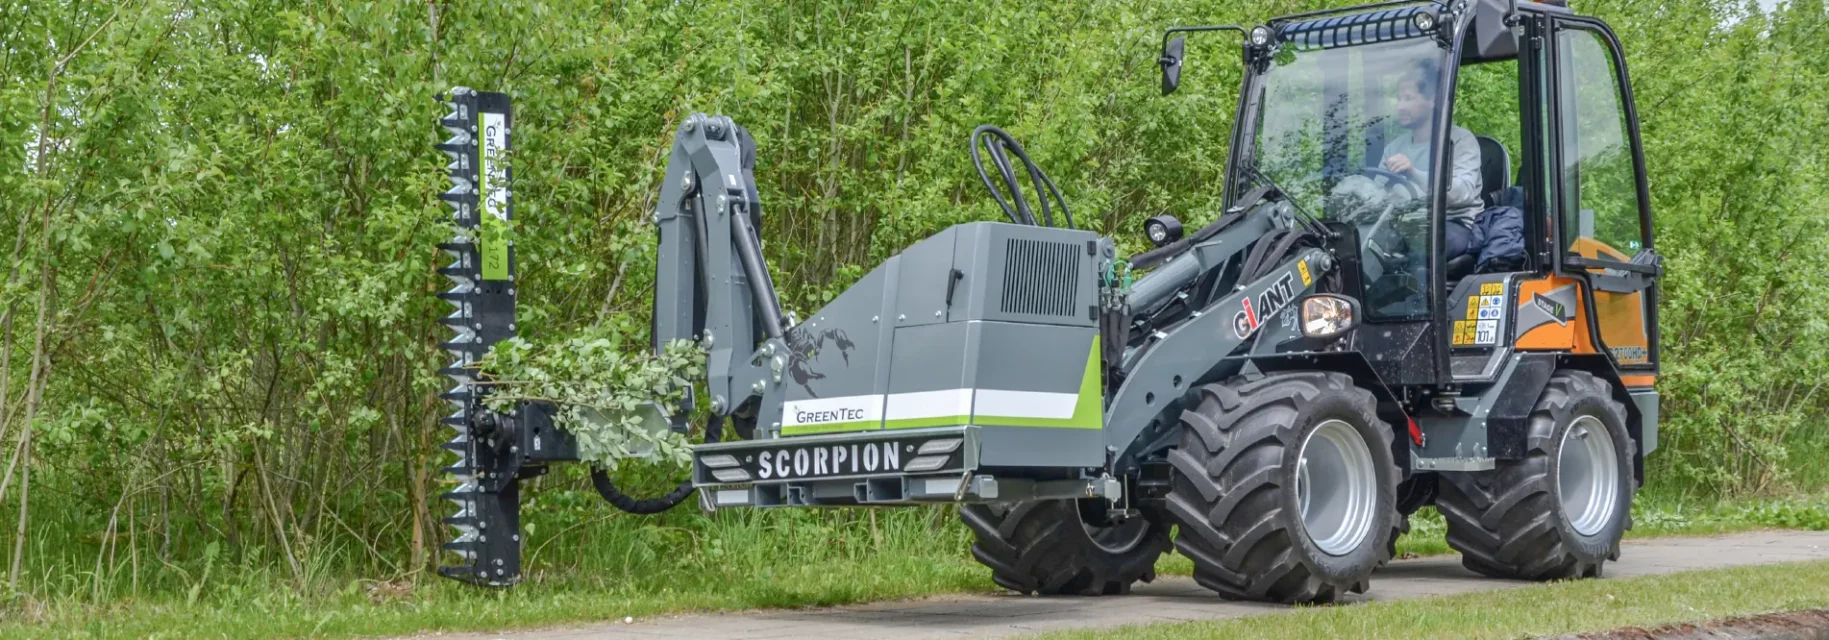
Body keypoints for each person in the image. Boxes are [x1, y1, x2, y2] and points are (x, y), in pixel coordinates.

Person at [1380, 57, 1483, 260]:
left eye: (1408, 99)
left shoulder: (1460, 141)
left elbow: (1462, 194)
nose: (1400, 106)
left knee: (1422, 243)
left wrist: (1413, 173)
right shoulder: (1394, 147)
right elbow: (1378, 195)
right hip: (1405, 224)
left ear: (1432, 100)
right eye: (1398, 98)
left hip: (1453, 224)